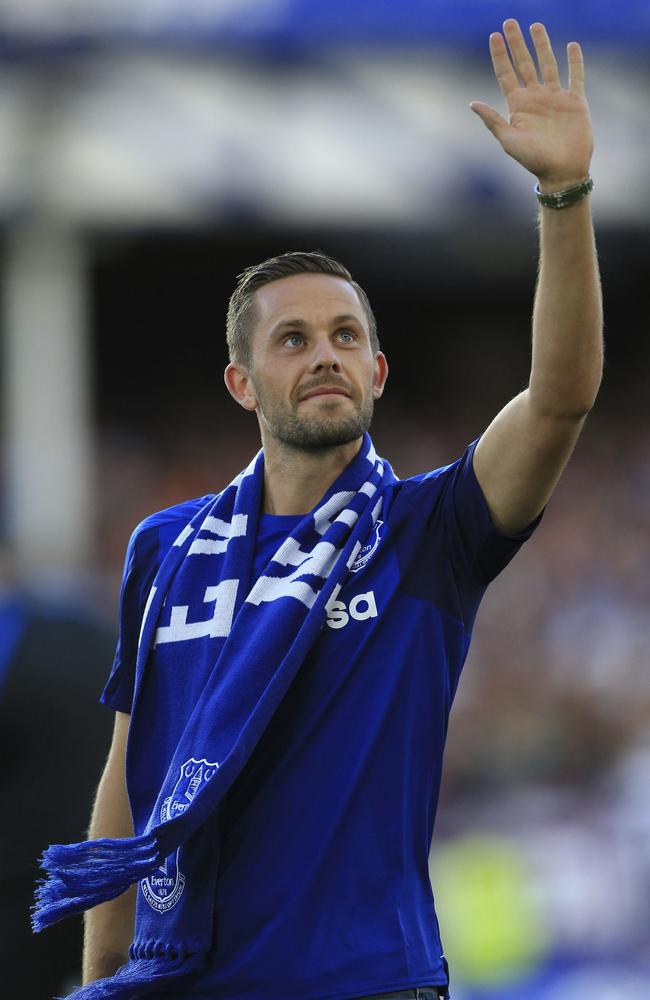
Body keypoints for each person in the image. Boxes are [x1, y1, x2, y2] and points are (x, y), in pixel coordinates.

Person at [37, 18, 602, 1000]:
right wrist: (101, 980)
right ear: (242, 383)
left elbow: (557, 397)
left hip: (362, 981)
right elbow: (129, 784)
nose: (324, 353)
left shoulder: (431, 532)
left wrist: (561, 195)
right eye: (291, 340)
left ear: (376, 370)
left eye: (345, 335)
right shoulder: (163, 549)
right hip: (184, 981)